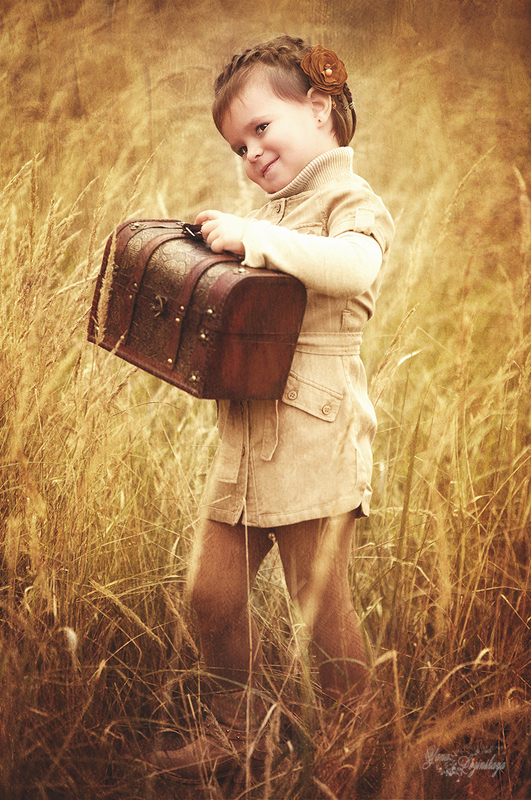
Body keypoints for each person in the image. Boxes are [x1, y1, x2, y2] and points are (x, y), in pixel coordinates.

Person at [148, 34, 394, 783]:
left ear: (318, 109)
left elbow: (353, 266)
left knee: (318, 606)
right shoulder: (277, 210)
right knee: (211, 591)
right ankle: (241, 730)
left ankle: (358, 748)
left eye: (260, 128)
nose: (251, 153)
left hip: (315, 431)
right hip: (249, 429)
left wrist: (255, 237)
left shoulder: (350, 202)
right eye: (237, 146)